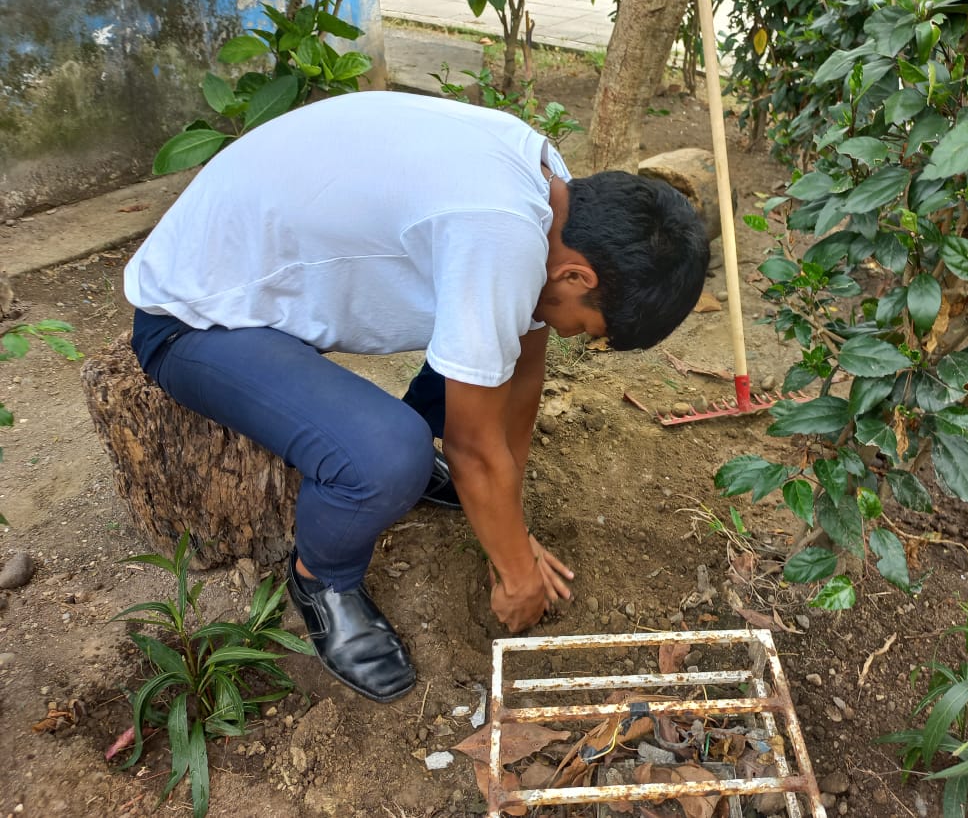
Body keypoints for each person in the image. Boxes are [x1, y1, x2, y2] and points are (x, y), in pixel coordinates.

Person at [123, 90, 709, 703]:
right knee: (388, 456)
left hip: (260, 282)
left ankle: (421, 489)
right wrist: (517, 575)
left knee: (492, 357)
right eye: (585, 327)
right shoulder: (503, 232)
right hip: (194, 320)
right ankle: (321, 580)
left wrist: (508, 531)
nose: (569, 336)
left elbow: (521, 378)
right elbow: (473, 447)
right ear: (577, 276)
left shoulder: (556, 197)